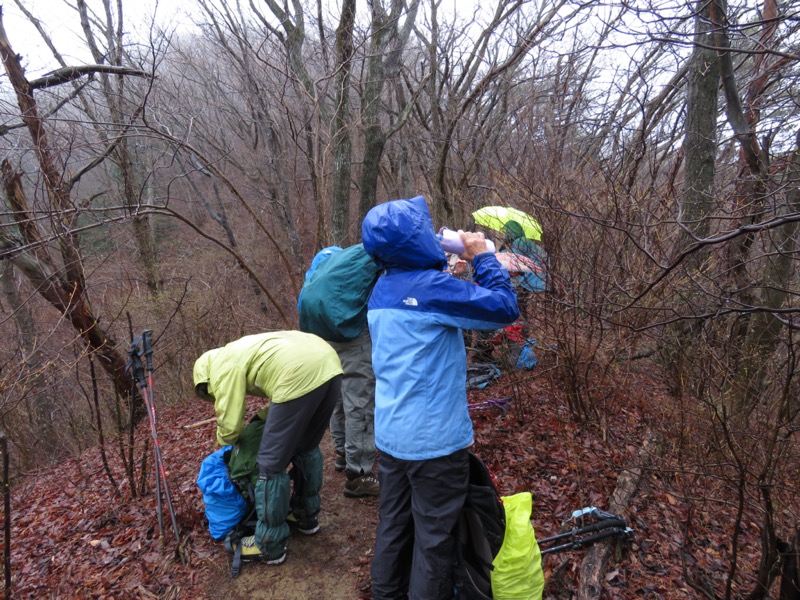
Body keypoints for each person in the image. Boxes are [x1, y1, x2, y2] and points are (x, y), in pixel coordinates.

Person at [361, 196, 519, 599]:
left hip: (393, 436)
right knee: (434, 541)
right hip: (433, 444)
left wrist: (447, 267)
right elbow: (503, 308)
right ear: (415, 241)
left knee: (394, 527)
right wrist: (484, 257)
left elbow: (421, 300)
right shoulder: (432, 289)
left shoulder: (383, 287)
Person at [193, 331, 343, 564]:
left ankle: (269, 545)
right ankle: (305, 517)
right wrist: (262, 419)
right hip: (330, 364)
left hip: (298, 373)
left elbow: (231, 425)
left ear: (205, 379)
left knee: (270, 465)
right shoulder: (241, 348)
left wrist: (223, 446)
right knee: (306, 447)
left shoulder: (221, 365)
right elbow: (278, 391)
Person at [298, 244, 381, 498]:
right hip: (350, 337)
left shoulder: (326, 260)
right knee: (360, 402)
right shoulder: (367, 263)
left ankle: (343, 455)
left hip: (321, 337)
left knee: (338, 399)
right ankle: (359, 474)